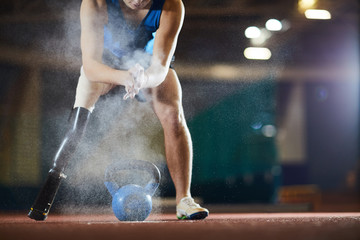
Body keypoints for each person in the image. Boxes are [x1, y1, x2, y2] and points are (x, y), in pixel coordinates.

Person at [28, 0, 208, 221]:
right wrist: (125, 77)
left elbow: (160, 70)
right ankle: (50, 188)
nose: (138, 1)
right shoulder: (95, 3)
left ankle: (184, 200)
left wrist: (142, 79)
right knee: (76, 127)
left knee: (173, 116)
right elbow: (91, 66)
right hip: (105, 66)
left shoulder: (172, 5)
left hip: (148, 67)